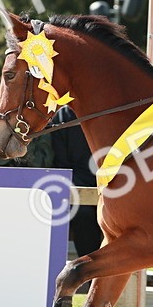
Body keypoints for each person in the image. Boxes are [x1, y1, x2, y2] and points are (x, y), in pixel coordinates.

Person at [49, 106, 104, 258]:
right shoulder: (62, 116)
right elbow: (61, 163)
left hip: (113, 181)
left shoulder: (108, 107)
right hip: (78, 185)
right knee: (83, 214)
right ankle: (90, 269)